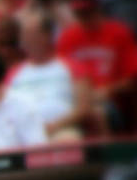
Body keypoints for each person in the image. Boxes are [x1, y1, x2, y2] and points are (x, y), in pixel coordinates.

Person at [9, 11, 90, 141]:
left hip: (59, 130)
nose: (26, 40)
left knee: (69, 140)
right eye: (24, 35)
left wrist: (54, 126)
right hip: (20, 134)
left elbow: (83, 107)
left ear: (47, 35)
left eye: (32, 34)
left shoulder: (72, 67)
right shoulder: (14, 73)